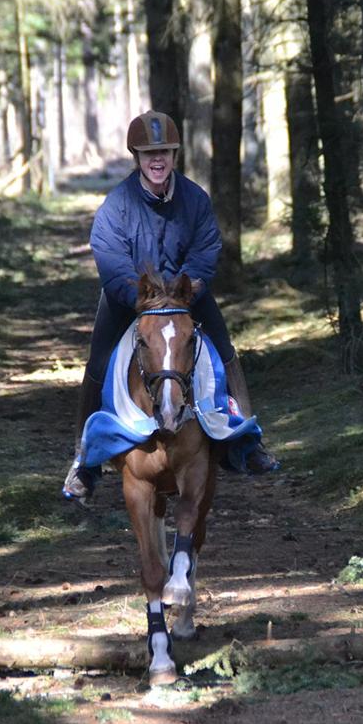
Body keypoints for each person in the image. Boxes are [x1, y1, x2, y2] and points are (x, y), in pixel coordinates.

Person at [62, 110, 280, 499]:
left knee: (226, 352)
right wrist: (139, 297)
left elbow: (207, 247)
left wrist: (187, 289)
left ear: (175, 154)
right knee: (97, 362)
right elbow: (111, 260)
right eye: (149, 154)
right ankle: (83, 459)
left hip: (185, 295)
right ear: (137, 158)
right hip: (131, 299)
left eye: (164, 151)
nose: (157, 159)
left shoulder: (195, 199)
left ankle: (247, 441)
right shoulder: (116, 206)